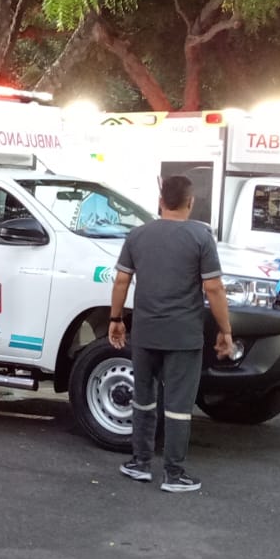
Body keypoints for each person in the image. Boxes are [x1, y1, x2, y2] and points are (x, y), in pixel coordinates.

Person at [108, 175, 234, 493]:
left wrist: (116, 319)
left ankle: (139, 463)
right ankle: (174, 474)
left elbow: (121, 280)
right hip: (183, 335)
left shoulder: (137, 236)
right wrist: (225, 330)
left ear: (161, 201)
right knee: (178, 404)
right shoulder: (201, 237)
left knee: (144, 398)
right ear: (190, 202)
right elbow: (214, 288)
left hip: (146, 331)